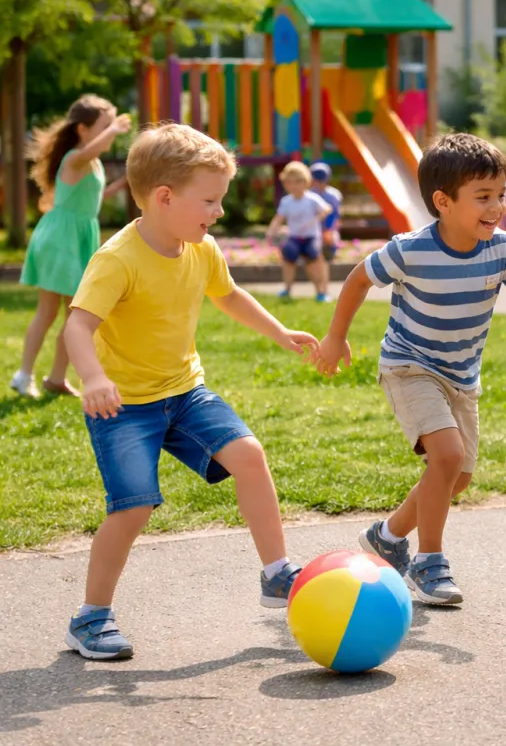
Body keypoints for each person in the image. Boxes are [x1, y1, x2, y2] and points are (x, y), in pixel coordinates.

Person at [61, 124, 319, 660]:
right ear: (164, 197)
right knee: (133, 508)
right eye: (210, 200)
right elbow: (77, 326)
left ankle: (276, 574)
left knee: (248, 454)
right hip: (124, 405)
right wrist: (93, 378)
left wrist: (280, 331)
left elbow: (230, 295)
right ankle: (91, 618)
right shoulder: (118, 259)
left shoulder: (198, 250)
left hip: (184, 392)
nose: (218, 212)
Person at [316, 133, 506, 606]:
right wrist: (335, 337)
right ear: (443, 201)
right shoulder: (410, 250)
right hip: (409, 366)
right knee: (447, 457)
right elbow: (357, 279)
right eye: (483, 197)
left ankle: (388, 537)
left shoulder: (502, 249)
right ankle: (428, 561)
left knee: (457, 477)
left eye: (501, 194)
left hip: (461, 376)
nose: (496, 206)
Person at [12, 95, 129, 399]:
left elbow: (92, 198)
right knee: (49, 310)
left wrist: (125, 182)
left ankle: (56, 378)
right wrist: (115, 129)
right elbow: (88, 152)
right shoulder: (76, 157)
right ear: (83, 130)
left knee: (75, 315)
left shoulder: (94, 163)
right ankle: (24, 375)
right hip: (60, 240)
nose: (110, 132)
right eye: (104, 126)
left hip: (77, 238)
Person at [267, 161, 332, 302]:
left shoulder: (312, 199)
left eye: (297, 182)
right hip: (295, 237)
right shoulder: (286, 201)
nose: (294, 186)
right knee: (288, 257)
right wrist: (271, 231)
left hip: (311, 237)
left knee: (313, 258)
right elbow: (279, 218)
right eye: (289, 182)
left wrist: (322, 213)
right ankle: (287, 289)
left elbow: (327, 208)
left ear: (306, 182)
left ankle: (320, 292)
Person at [309, 161, 343, 264]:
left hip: (329, 226)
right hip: (313, 226)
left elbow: (336, 215)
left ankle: (330, 256)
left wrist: (329, 230)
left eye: (321, 181)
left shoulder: (334, 195)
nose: (319, 184)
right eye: (316, 181)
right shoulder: (310, 194)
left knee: (331, 238)